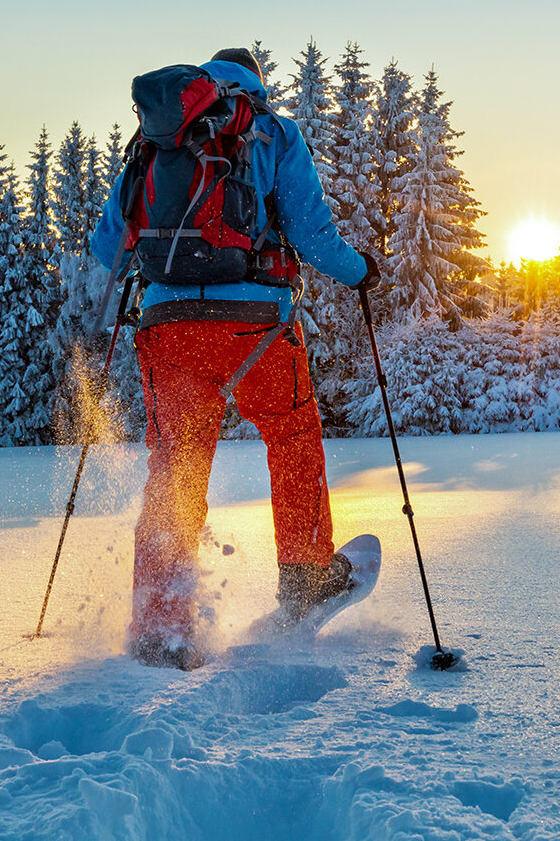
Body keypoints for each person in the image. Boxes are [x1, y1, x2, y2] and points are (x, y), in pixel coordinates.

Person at [92, 47, 380, 669]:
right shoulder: (271, 131)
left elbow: (107, 245)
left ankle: (159, 627)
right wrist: (361, 272)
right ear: (255, 83)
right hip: (257, 328)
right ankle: (305, 576)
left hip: (168, 329)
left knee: (176, 466)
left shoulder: (155, 140)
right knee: (292, 434)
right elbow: (311, 235)